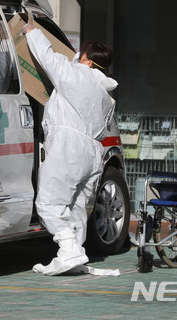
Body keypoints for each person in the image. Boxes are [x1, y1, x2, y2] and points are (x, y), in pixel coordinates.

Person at [22, 21, 117, 276]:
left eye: (80, 54)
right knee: (76, 207)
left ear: (86, 61)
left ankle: (68, 248)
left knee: (49, 203)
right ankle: (75, 256)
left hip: (68, 147)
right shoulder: (106, 95)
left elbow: (46, 56)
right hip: (93, 153)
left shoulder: (74, 74)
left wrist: (33, 32)